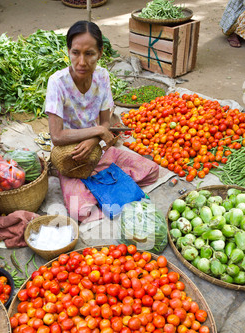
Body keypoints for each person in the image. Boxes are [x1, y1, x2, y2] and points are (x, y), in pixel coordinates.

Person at [45, 20, 159, 223]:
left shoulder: (102, 76)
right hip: (71, 157)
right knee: (81, 212)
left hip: (98, 149)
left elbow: (106, 122)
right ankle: (102, 187)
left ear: (100, 52)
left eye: (89, 54)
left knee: (151, 171)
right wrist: (96, 131)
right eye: (75, 52)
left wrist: (94, 140)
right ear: (68, 51)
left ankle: (98, 186)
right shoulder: (57, 83)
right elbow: (57, 136)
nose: (81, 62)